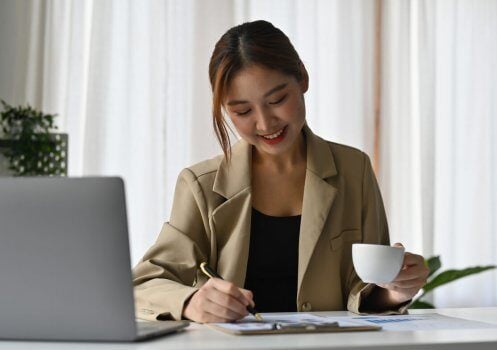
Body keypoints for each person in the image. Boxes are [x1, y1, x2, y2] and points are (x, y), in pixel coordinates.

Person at [133, 20, 429, 323]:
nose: (265, 123)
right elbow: (143, 284)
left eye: (277, 100)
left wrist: (395, 290)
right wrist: (191, 302)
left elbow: (366, 288)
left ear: (302, 77)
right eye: (243, 111)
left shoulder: (355, 170)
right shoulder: (201, 185)